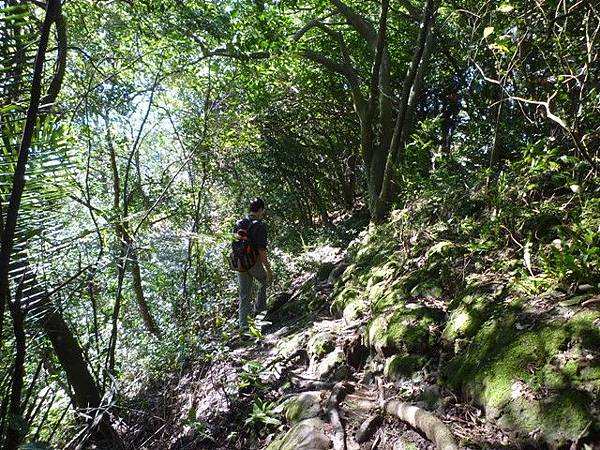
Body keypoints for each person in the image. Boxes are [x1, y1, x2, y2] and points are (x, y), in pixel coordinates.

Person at [236, 197, 273, 329]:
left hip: (240, 263)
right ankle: (260, 313)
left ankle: (244, 326)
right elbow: (261, 250)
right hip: (253, 261)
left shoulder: (239, 223)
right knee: (263, 280)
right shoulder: (260, 226)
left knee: (244, 294)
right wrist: (268, 270)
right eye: (263, 210)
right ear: (260, 210)